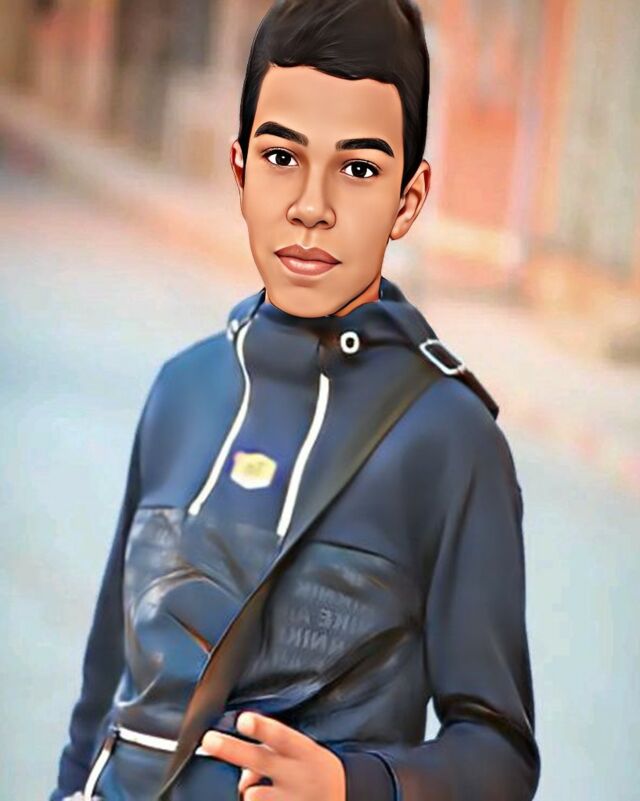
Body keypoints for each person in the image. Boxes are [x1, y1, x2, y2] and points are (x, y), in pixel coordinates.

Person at [50, 2, 541, 800]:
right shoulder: (181, 388)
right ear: (240, 170)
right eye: (282, 157)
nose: (312, 205)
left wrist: (352, 783)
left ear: (409, 198)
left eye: (359, 169)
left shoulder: (450, 438)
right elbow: (100, 701)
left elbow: (501, 757)